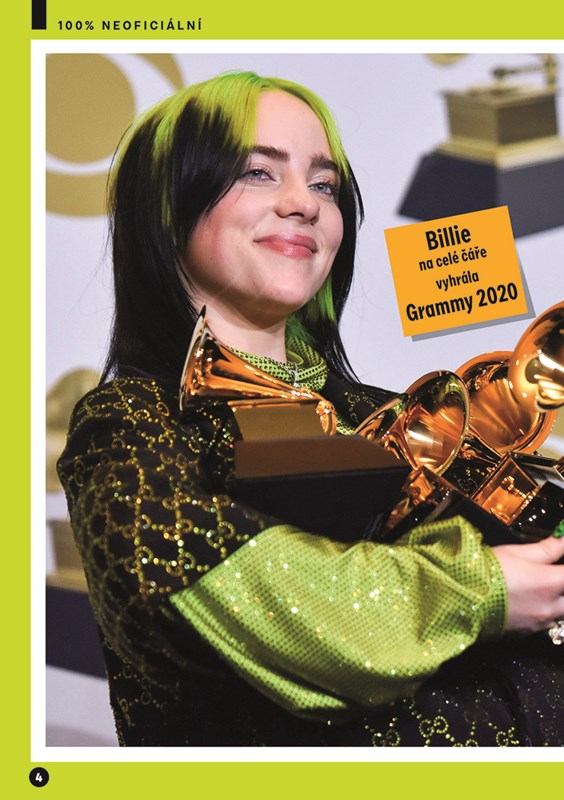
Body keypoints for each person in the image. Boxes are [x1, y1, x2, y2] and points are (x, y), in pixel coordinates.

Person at [57, 70, 564, 747]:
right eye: (257, 173)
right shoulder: (128, 425)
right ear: (167, 209)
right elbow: (282, 601)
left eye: (324, 185)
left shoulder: (387, 412)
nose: (304, 203)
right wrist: (482, 586)